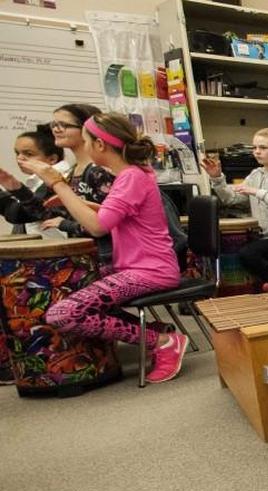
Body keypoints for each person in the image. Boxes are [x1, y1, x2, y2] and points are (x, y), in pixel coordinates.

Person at [19, 112, 186, 384]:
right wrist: (80, 202)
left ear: (99, 145)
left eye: (86, 141)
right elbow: (115, 214)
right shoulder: (131, 175)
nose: (84, 147)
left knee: (62, 314)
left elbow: (98, 227)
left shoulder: (131, 177)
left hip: (150, 271)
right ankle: (156, 331)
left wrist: (57, 183)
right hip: (138, 268)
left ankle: (163, 341)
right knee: (74, 291)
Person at [3, 104, 115, 261]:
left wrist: (65, 224)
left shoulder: (99, 171)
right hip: (85, 257)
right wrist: (15, 187)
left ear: (86, 129)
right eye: (54, 124)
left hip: (107, 258)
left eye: (64, 125)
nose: (56, 129)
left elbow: (107, 225)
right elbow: (47, 214)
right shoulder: (72, 172)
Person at [201, 127, 268, 291]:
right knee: (230, 249)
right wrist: (217, 178)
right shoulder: (256, 174)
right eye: (254, 147)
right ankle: (257, 294)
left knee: (249, 253)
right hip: (261, 237)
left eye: (263, 148)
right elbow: (231, 199)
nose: (257, 152)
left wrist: (258, 192)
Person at [1, 123, 68, 236]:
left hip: (56, 245)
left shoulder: (57, 179)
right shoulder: (37, 181)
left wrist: (15, 189)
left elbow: (19, 214)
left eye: (29, 154)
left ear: (52, 159)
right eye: (17, 153)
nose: (19, 158)